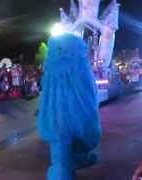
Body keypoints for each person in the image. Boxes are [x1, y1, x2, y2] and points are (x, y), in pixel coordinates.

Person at [38, 34, 102, 180]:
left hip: (54, 117)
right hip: (76, 116)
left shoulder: (50, 67)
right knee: (72, 149)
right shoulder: (79, 65)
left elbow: (45, 91)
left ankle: (68, 167)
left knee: (59, 153)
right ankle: (71, 166)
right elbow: (88, 89)